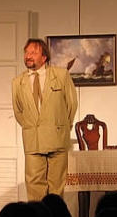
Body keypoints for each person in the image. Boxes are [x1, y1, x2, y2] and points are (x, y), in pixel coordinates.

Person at [12, 38, 77, 202]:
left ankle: (55, 216)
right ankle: (38, 216)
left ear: (44, 56)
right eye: (26, 52)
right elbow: (18, 111)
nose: (28, 56)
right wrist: (31, 126)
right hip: (33, 140)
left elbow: (71, 104)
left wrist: (62, 126)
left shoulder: (61, 75)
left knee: (56, 187)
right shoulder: (17, 83)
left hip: (57, 137)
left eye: (33, 53)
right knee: (34, 186)